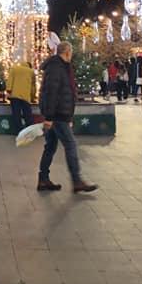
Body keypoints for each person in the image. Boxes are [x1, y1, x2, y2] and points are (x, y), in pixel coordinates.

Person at [36, 42, 98, 193]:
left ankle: (43, 179)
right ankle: (77, 181)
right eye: (71, 52)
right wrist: (49, 117)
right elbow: (51, 92)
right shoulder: (57, 68)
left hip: (58, 114)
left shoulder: (61, 67)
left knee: (50, 146)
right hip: (57, 115)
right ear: (67, 52)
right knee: (70, 144)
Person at [6, 60, 36, 134]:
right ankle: (30, 130)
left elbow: (10, 80)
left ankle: (18, 131)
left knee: (16, 114)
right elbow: (33, 86)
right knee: (27, 114)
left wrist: (9, 90)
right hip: (25, 96)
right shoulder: (31, 72)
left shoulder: (14, 69)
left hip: (15, 95)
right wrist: (33, 96)